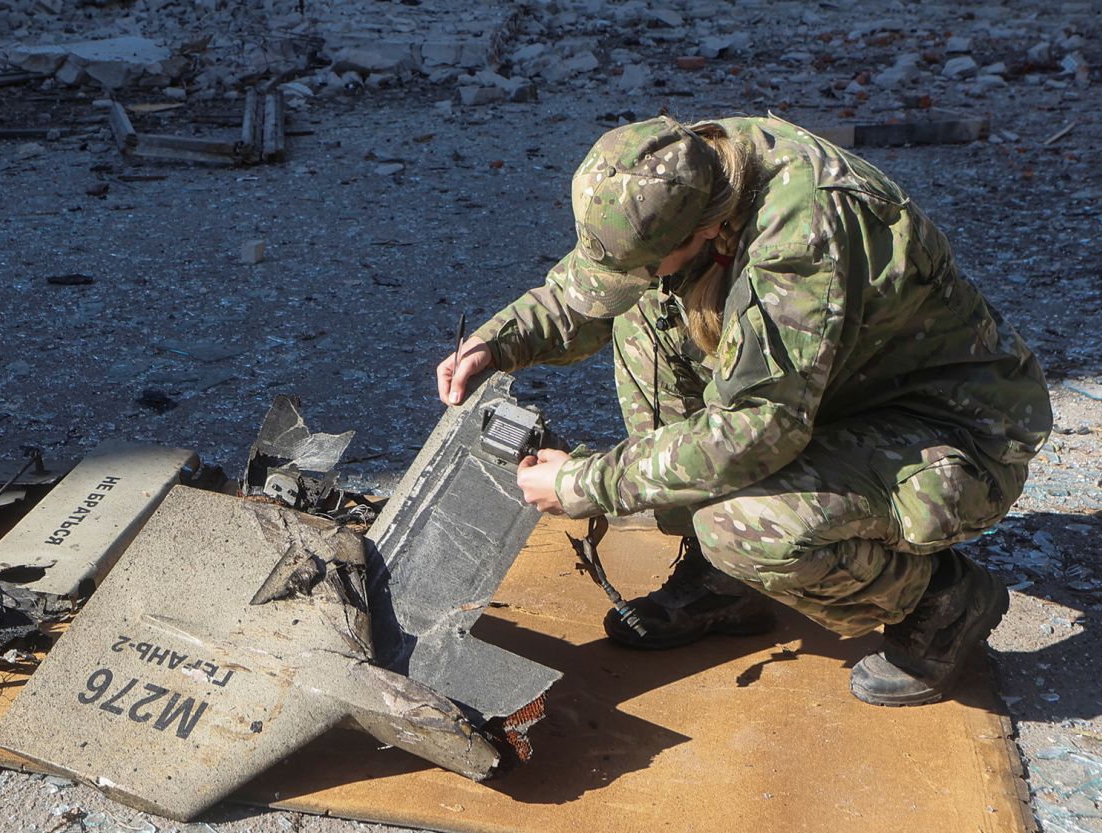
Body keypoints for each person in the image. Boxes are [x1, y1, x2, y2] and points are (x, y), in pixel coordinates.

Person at [435, 114, 1051, 706]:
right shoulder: (685, 170)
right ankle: (723, 582)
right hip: (835, 400)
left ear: (706, 231)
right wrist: (498, 341)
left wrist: (584, 482)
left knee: (743, 525)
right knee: (648, 310)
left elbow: (758, 430)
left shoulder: (801, 238)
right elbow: (597, 283)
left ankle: (940, 603)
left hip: (952, 435)